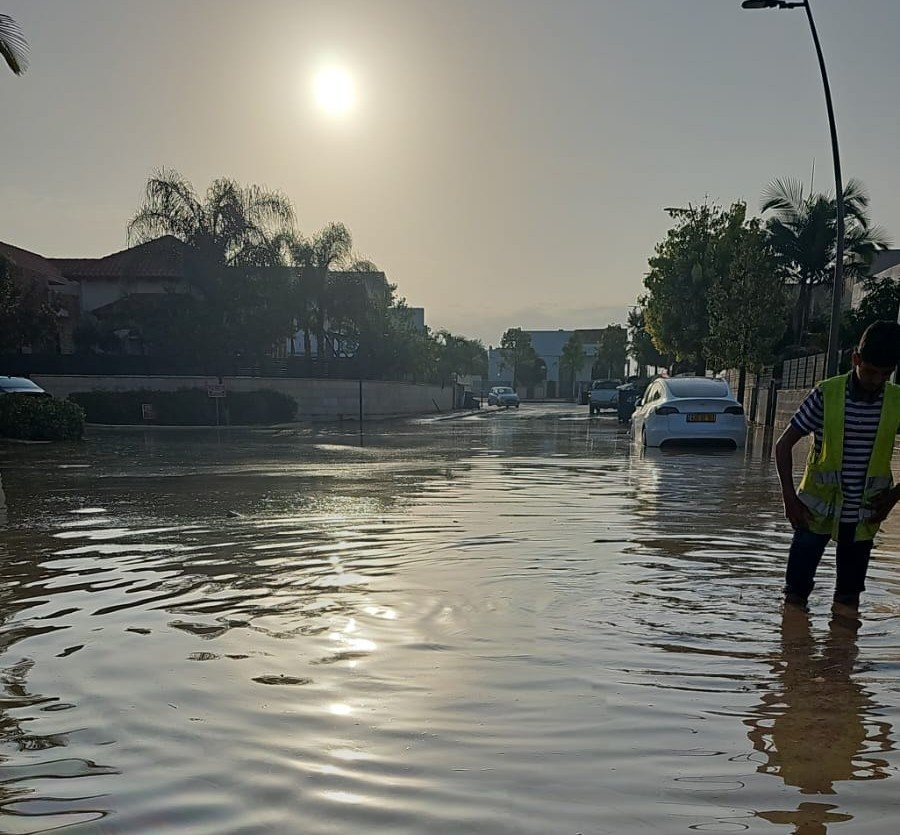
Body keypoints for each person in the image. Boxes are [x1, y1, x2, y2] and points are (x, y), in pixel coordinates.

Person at [774, 320, 900, 611]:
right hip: (814, 514)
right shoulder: (826, 394)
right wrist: (789, 500)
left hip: (864, 516)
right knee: (795, 594)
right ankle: (793, 650)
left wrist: (893, 497)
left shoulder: (896, 401)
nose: (876, 381)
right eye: (870, 372)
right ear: (856, 360)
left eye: (885, 374)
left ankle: (842, 653)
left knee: (848, 599)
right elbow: (782, 446)